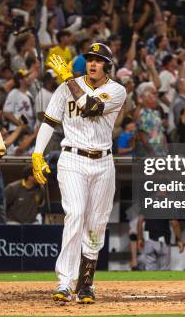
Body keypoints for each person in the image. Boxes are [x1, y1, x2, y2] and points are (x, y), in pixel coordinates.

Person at [32, 43, 126, 303]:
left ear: (107, 64)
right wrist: (37, 153)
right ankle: (64, 282)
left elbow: (89, 106)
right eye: (89, 59)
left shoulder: (116, 90)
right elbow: (49, 121)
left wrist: (67, 78)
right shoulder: (65, 88)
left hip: (103, 163)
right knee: (74, 213)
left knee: (96, 225)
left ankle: (85, 284)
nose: (93, 63)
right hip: (72, 158)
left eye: (98, 60)